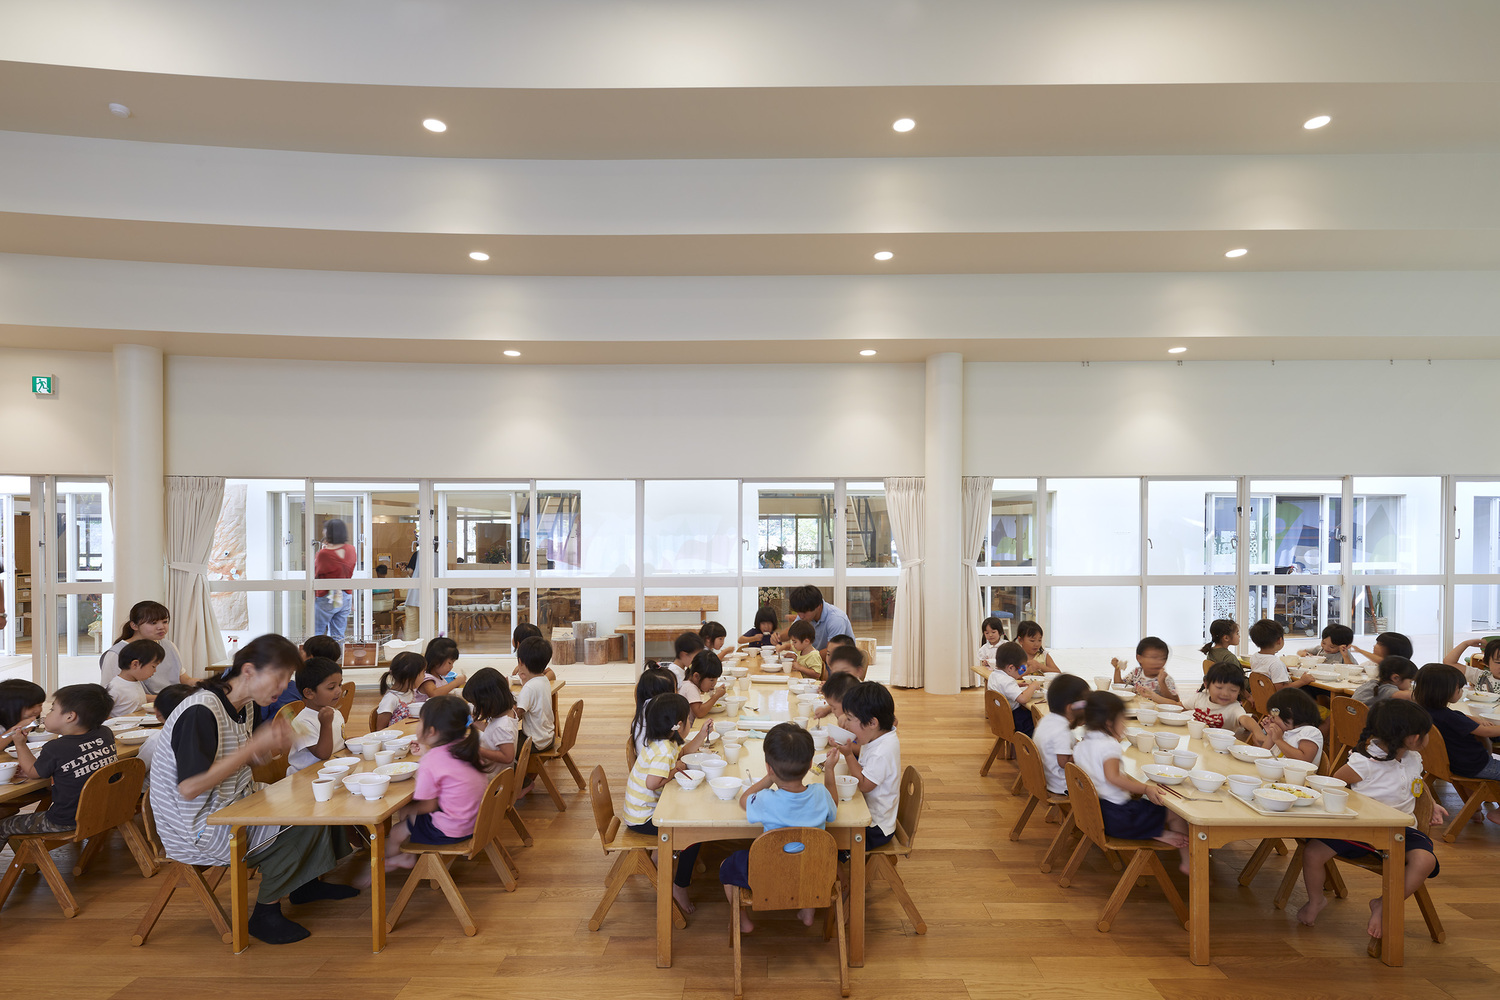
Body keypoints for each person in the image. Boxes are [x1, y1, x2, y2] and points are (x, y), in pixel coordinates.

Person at [150, 634, 357, 944]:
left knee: (317, 797)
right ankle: (265, 914)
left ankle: (305, 884)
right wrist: (251, 749)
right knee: (301, 821)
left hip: (236, 799)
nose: (283, 687)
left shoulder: (244, 706)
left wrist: (266, 750)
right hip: (198, 825)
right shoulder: (200, 710)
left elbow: (239, 760)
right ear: (248, 671)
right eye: (279, 678)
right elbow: (189, 789)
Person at [1297, 699, 1444, 936]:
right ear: (1413, 738)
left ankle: (1384, 903)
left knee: (1425, 861)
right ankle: (1316, 900)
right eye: (1425, 732)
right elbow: (1334, 783)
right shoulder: (1365, 762)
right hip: (1361, 828)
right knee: (1313, 853)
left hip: (1401, 830)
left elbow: (1416, 785)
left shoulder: (1413, 758)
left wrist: (1432, 805)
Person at [721, 723, 837, 932]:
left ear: (769, 767)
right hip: (814, 874)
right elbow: (833, 804)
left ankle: (742, 921)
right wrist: (829, 769)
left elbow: (744, 800)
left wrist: (769, 778)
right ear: (811, 763)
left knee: (726, 865)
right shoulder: (821, 794)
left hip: (770, 877)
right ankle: (808, 910)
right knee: (809, 858)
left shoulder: (766, 800)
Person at [363, 695, 489, 880]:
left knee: (398, 829)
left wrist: (404, 810)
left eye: (419, 721)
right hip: (477, 822)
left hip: (451, 830)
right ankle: (406, 856)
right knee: (411, 819)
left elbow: (428, 805)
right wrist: (427, 751)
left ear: (431, 731)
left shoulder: (432, 760)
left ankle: (381, 868)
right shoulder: (467, 748)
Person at [1075, 691, 1189, 872]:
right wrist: (1145, 788)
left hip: (1095, 815)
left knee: (1146, 806)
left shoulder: (1081, 744)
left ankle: (1155, 832)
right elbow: (1113, 777)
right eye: (1122, 721)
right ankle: (1188, 863)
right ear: (1109, 723)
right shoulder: (1108, 745)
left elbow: (1102, 776)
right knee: (1176, 812)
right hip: (1119, 818)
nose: (1125, 727)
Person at [2, 683, 116, 854]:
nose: (46, 714)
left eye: (52, 709)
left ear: (70, 716)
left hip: (68, 820)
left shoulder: (56, 748)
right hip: (105, 809)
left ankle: (25, 863)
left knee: (3, 825)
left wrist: (20, 744)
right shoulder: (105, 733)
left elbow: (33, 773)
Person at [624, 692, 710, 914]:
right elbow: (653, 783)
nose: (691, 722)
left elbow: (683, 753)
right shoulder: (664, 751)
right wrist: (675, 771)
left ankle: (660, 857)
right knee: (694, 833)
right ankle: (679, 885)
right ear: (679, 725)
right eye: (689, 719)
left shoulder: (664, 742)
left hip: (643, 811)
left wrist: (702, 734)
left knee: (690, 819)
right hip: (643, 819)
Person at [822, 681, 900, 857]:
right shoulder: (877, 736)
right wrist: (846, 747)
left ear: (872, 722)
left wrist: (849, 755)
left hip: (875, 827)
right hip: (867, 810)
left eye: (850, 719)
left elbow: (864, 785)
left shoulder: (882, 751)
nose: (847, 724)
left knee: (827, 841)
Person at [1412, 664, 1500, 812]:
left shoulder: (1424, 711)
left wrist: (1477, 720)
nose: (1462, 691)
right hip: (1475, 766)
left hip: (1449, 764)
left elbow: (1460, 716)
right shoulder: (1449, 718)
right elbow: (1487, 732)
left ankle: (1474, 811)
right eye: (1459, 689)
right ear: (1444, 692)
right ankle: (1497, 814)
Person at [101, 600, 184, 694]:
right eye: (153, 623)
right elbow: (111, 693)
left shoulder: (169, 645)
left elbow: (183, 678)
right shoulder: (116, 653)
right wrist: (169, 698)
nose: (161, 627)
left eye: (165, 622)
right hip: (139, 703)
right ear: (134, 626)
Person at [286, 657, 345, 775]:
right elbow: (322, 754)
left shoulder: (334, 712)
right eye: (331, 687)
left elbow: (336, 743)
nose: (339, 690)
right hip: (304, 776)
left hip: (328, 770)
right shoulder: (301, 722)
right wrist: (326, 724)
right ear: (309, 693)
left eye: (340, 684)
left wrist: (347, 742)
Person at [1035, 674, 1090, 796]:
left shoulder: (1047, 720)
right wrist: (1083, 746)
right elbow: (1064, 763)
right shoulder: (1062, 731)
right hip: (1063, 785)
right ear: (1070, 708)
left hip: (1047, 778)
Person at [0, 679, 48, 819]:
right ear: (10, 706)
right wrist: (16, 728)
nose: (38, 710)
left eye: (40, 704)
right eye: (32, 706)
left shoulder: (24, 721)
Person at [514, 636, 556, 799]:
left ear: (520, 662)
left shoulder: (529, 688)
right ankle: (524, 777)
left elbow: (516, 715)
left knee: (503, 748)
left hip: (534, 741)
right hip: (547, 736)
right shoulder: (543, 679)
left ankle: (523, 783)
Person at [464, 668, 520, 771]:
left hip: (493, 775)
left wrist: (477, 749)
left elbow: (507, 757)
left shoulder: (502, 726)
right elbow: (491, 731)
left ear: (488, 702)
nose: (475, 708)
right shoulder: (508, 713)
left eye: (476, 705)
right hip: (495, 770)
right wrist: (474, 721)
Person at [138, 683, 195, 781]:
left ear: (157, 713)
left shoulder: (158, 739)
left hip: (153, 788)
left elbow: (138, 768)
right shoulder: (202, 732)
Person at [1250, 687, 1323, 763]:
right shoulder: (1284, 732)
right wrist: (1271, 734)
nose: (1272, 720)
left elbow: (1304, 760)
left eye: (1274, 717)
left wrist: (1278, 740)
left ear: (1290, 713)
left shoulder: (1310, 731)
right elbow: (1262, 755)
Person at [313, 518, 356, 642]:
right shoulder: (351, 549)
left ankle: (316, 654)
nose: (323, 531)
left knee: (317, 632)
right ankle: (338, 653)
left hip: (328, 595)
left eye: (325, 529)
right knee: (338, 635)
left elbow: (316, 574)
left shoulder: (324, 554)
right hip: (345, 595)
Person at [1178, 663, 1252, 734]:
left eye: (1233, 690)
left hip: (1220, 742)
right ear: (1207, 684)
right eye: (1219, 688)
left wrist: (1256, 730)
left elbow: (1245, 718)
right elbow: (1179, 706)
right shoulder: (1200, 697)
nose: (1225, 694)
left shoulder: (1234, 708)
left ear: (1239, 691)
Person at [783, 585, 853, 660]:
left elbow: (831, 652)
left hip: (838, 662)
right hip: (815, 660)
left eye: (804, 612)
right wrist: (777, 638)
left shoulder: (836, 619)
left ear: (818, 606)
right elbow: (792, 632)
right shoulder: (804, 614)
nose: (801, 616)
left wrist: (801, 659)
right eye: (798, 612)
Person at [988, 640, 1041, 737]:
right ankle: (1030, 744)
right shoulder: (1007, 681)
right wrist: (1033, 685)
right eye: (1022, 669)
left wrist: (1017, 685)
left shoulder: (994, 675)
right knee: (1035, 717)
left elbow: (1003, 687)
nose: (1022, 673)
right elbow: (1023, 699)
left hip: (998, 718)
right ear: (1011, 668)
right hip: (1012, 719)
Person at [1247, 619, 1316, 691]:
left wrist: (1283, 669)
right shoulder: (1276, 663)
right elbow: (1281, 689)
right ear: (1279, 640)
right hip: (1277, 697)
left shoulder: (1254, 657)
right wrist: (1302, 681)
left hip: (1261, 695)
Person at [1111, 636, 1180, 705]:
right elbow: (1120, 686)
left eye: (1163, 658)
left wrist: (1162, 683)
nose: (1159, 662)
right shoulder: (1137, 672)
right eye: (1154, 657)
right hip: (1136, 708)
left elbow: (1176, 702)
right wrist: (1117, 668)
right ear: (1139, 658)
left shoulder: (1166, 679)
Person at [630, 666, 678, 761]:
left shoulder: (647, 710)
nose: (677, 694)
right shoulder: (657, 722)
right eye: (675, 690)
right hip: (655, 768)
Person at [106, 638, 163, 718]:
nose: (155, 671)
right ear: (135, 664)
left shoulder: (135, 682)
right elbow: (103, 714)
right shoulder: (115, 687)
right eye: (153, 666)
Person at [374, 651, 427, 729]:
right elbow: (380, 729)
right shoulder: (391, 699)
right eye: (423, 672)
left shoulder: (410, 692)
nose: (424, 676)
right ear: (410, 676)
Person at [1352, 656, 1418, 706]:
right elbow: (1410, 696)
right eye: (1410, 682)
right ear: (1395, 678)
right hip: (1361, 720)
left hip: (1349, 719)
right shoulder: (1386, 689)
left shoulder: (1371, 683)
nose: (1410, 685)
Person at [680, 649, 727, 719]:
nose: (714, 684)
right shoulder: (690, 688)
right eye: (711, 680)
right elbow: (700, 713)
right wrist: (716, 696)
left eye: (716, 679)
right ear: (696, 676)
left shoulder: (690, 684)